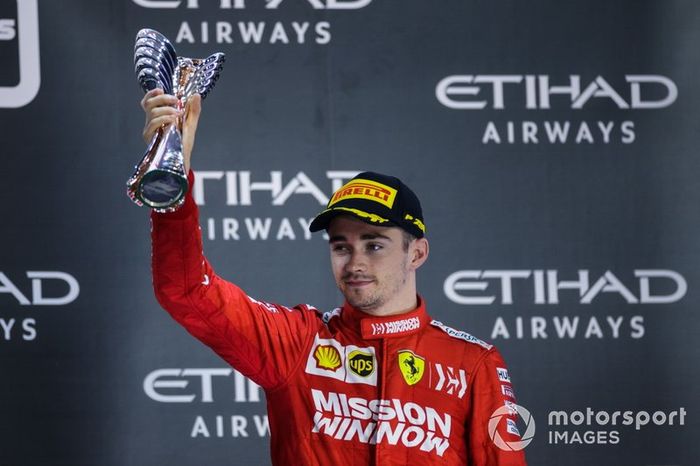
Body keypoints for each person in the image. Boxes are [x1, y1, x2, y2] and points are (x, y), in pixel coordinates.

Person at [142, 88, 528, 466]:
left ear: (417, 253)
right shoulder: (298, 343)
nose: (354, 262)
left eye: (374, 245)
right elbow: (186, 290)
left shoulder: (472, 363)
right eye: (341, 246)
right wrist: (172, 174)